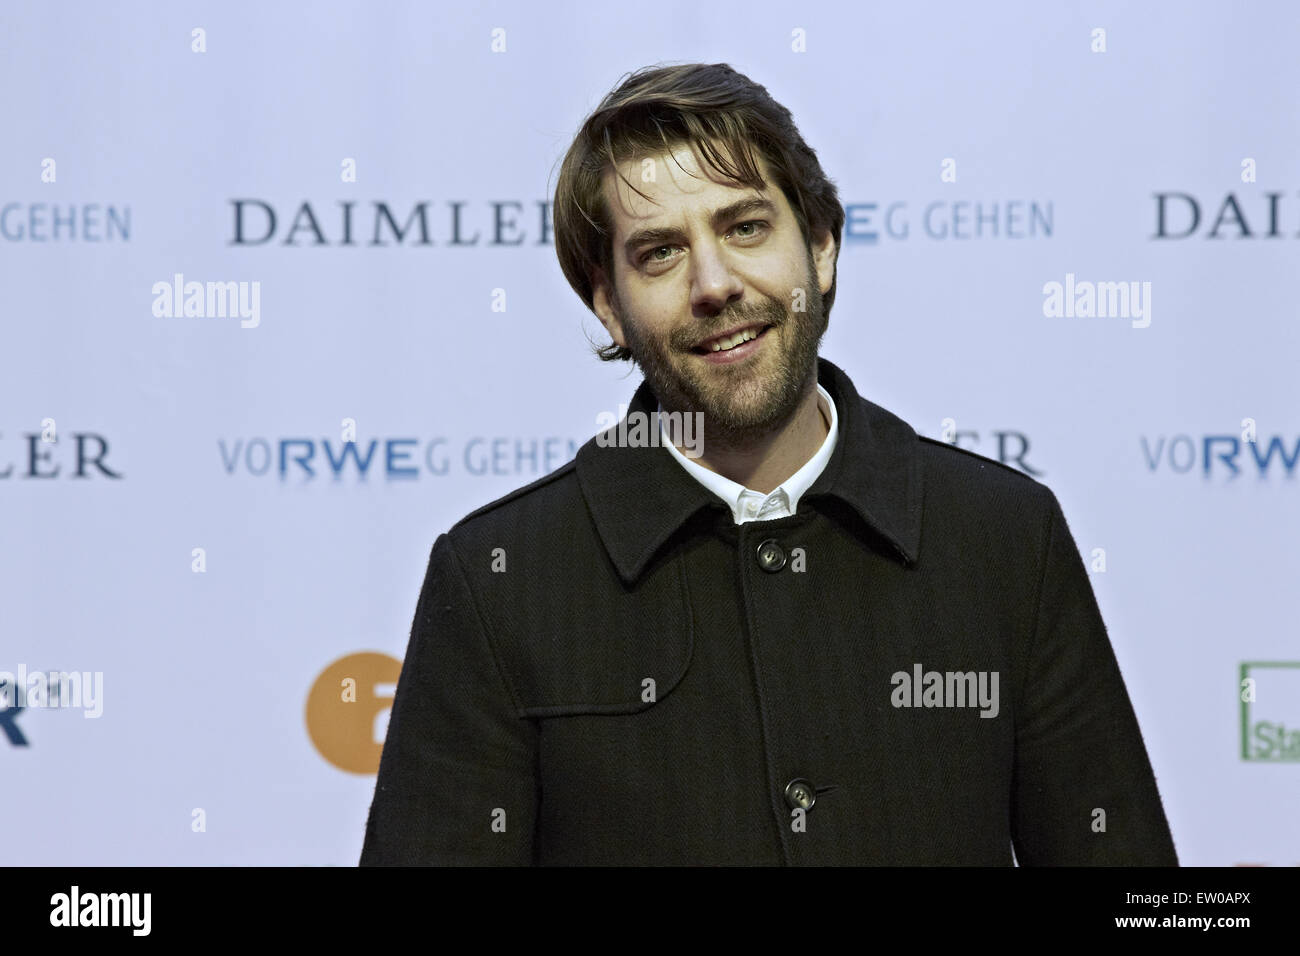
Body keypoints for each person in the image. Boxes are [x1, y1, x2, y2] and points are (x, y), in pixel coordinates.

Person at [360, 62, 1178, 865]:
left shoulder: (1002, 538)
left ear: (819, 248)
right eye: (658, 254)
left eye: (745, 227)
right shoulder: (499, 579)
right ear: (607, 304)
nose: (714, 284)